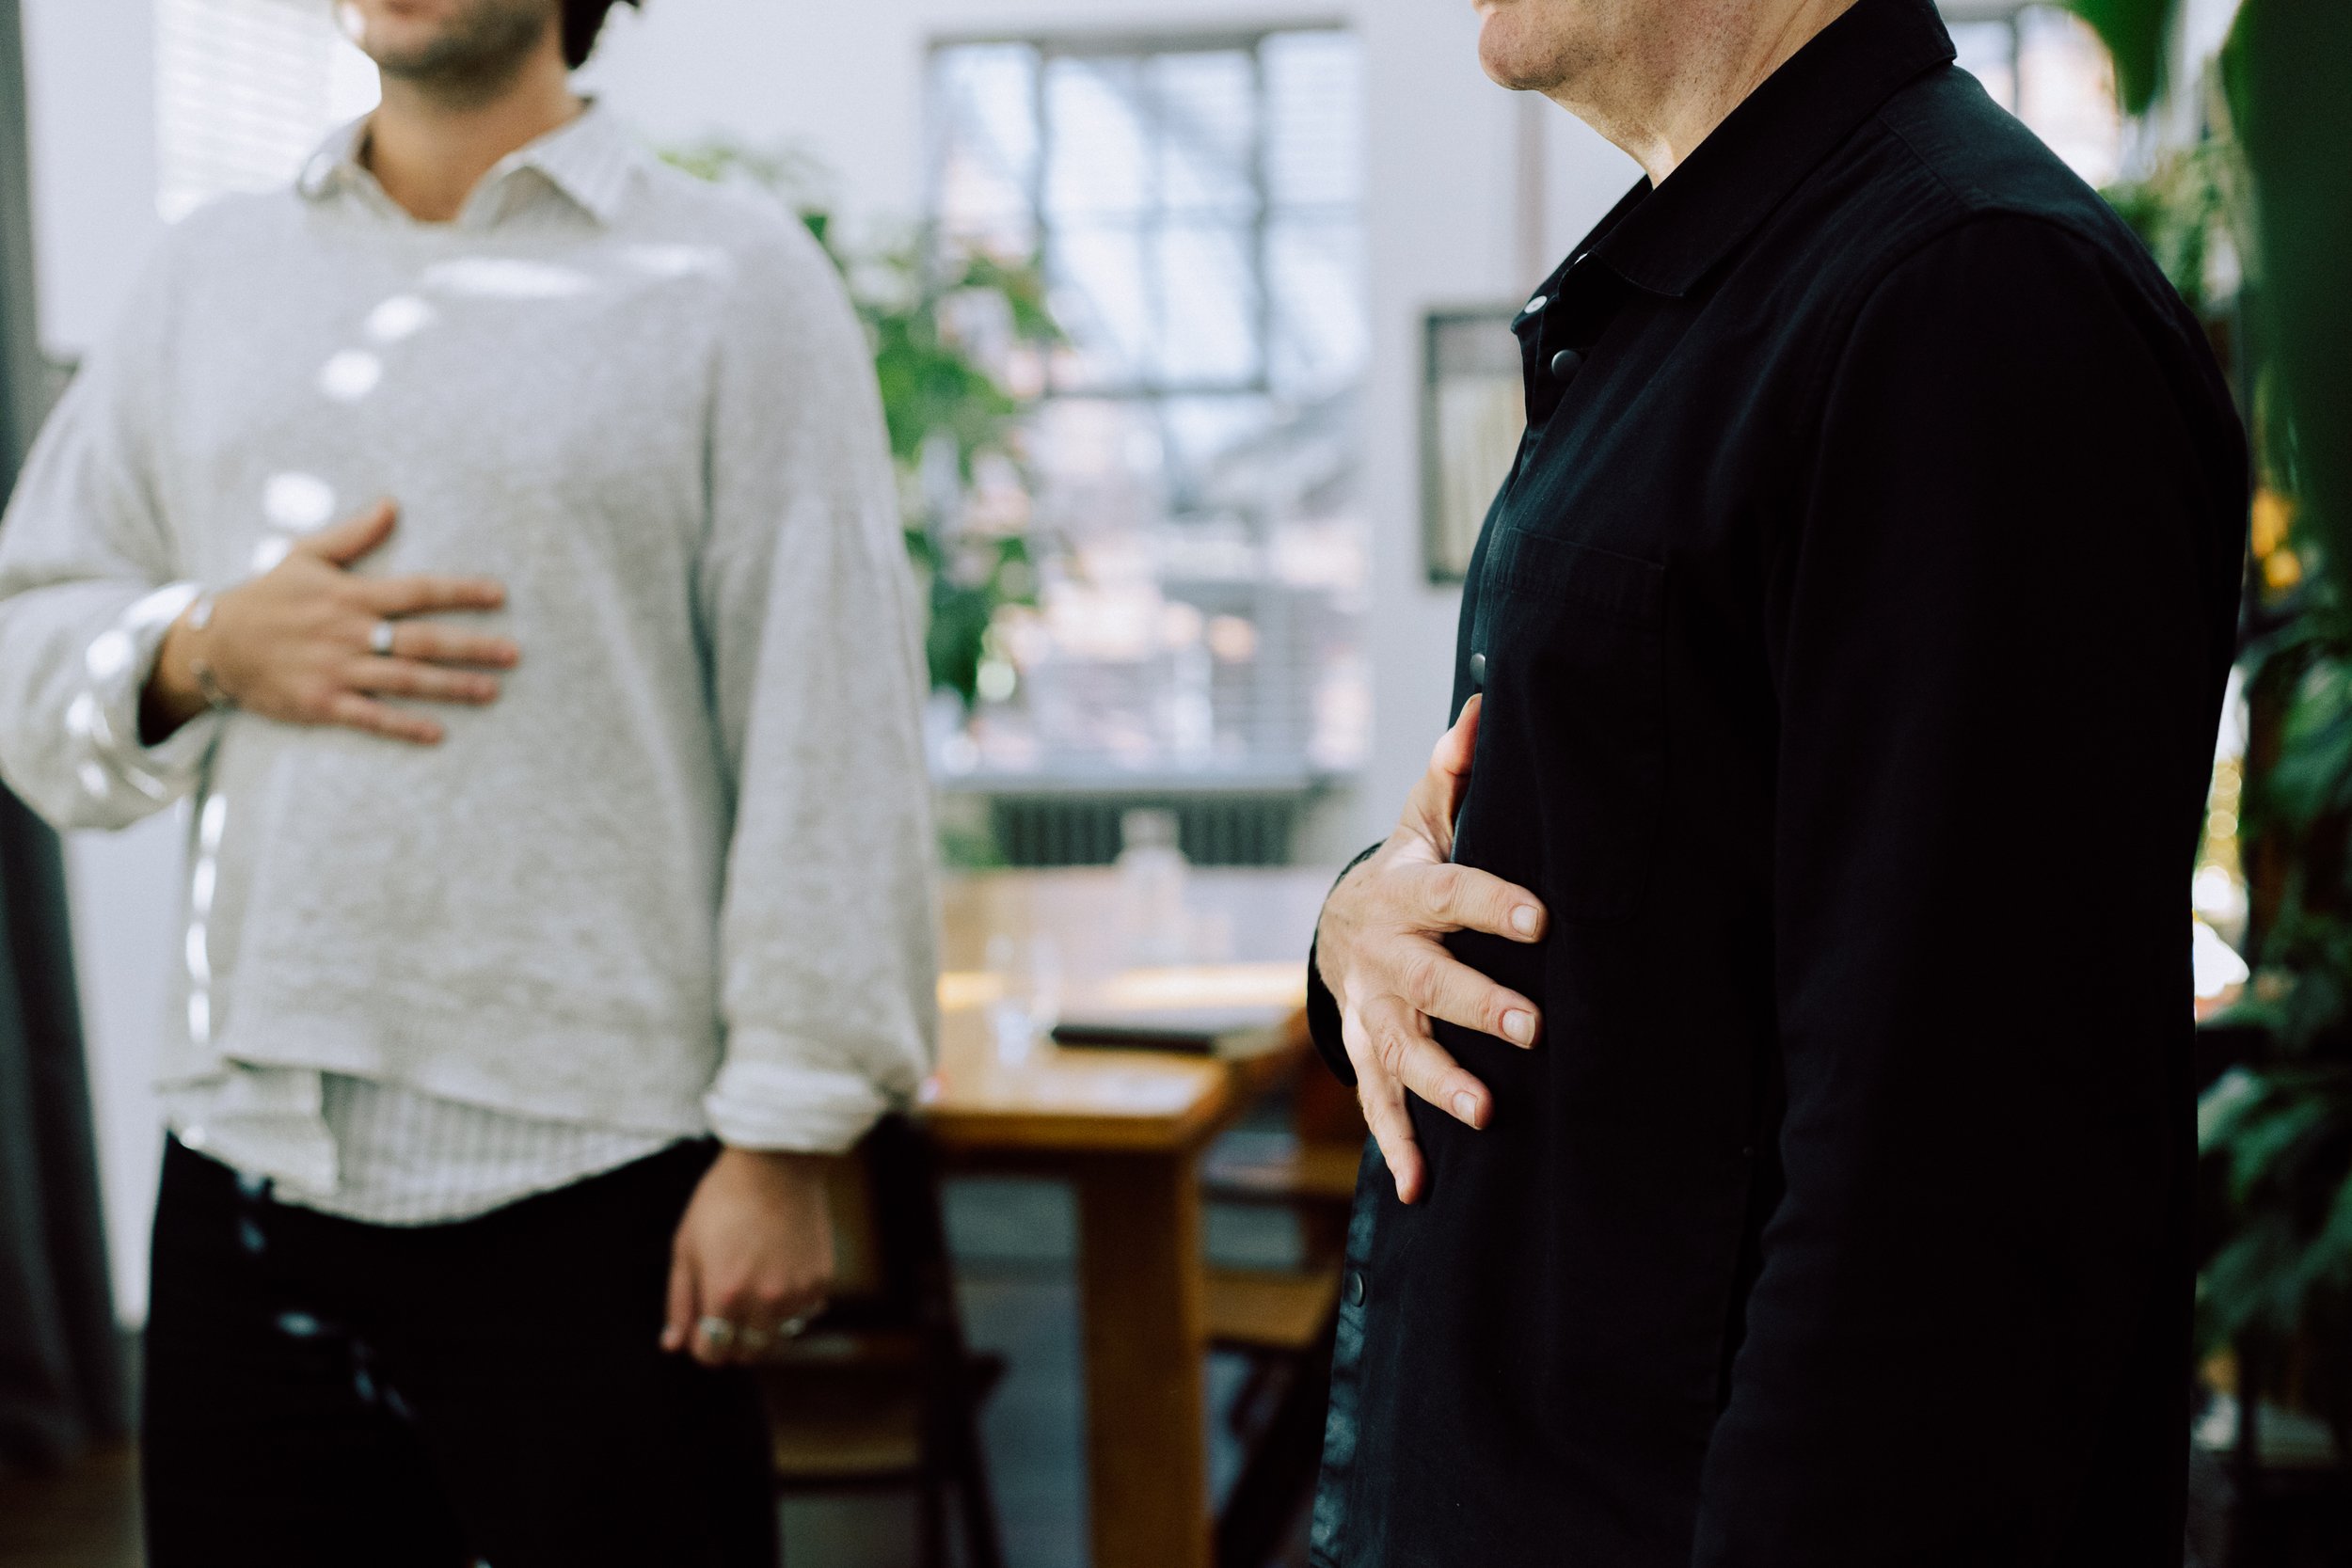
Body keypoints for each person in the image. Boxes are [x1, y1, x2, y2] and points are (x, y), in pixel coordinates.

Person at [1304, 0, 2246, 1561]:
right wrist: (1356, 929)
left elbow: (1949, 1201)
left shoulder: (1971, 301)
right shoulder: (1712, 293)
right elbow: (1633, 901)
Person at [0, 0, 935, 1562]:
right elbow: (33, 634)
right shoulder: (206, 275)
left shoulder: (737, 280)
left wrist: (785, 1142)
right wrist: (206, 643)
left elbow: (827, 720)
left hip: (606, 1191)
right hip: (245, 1172)